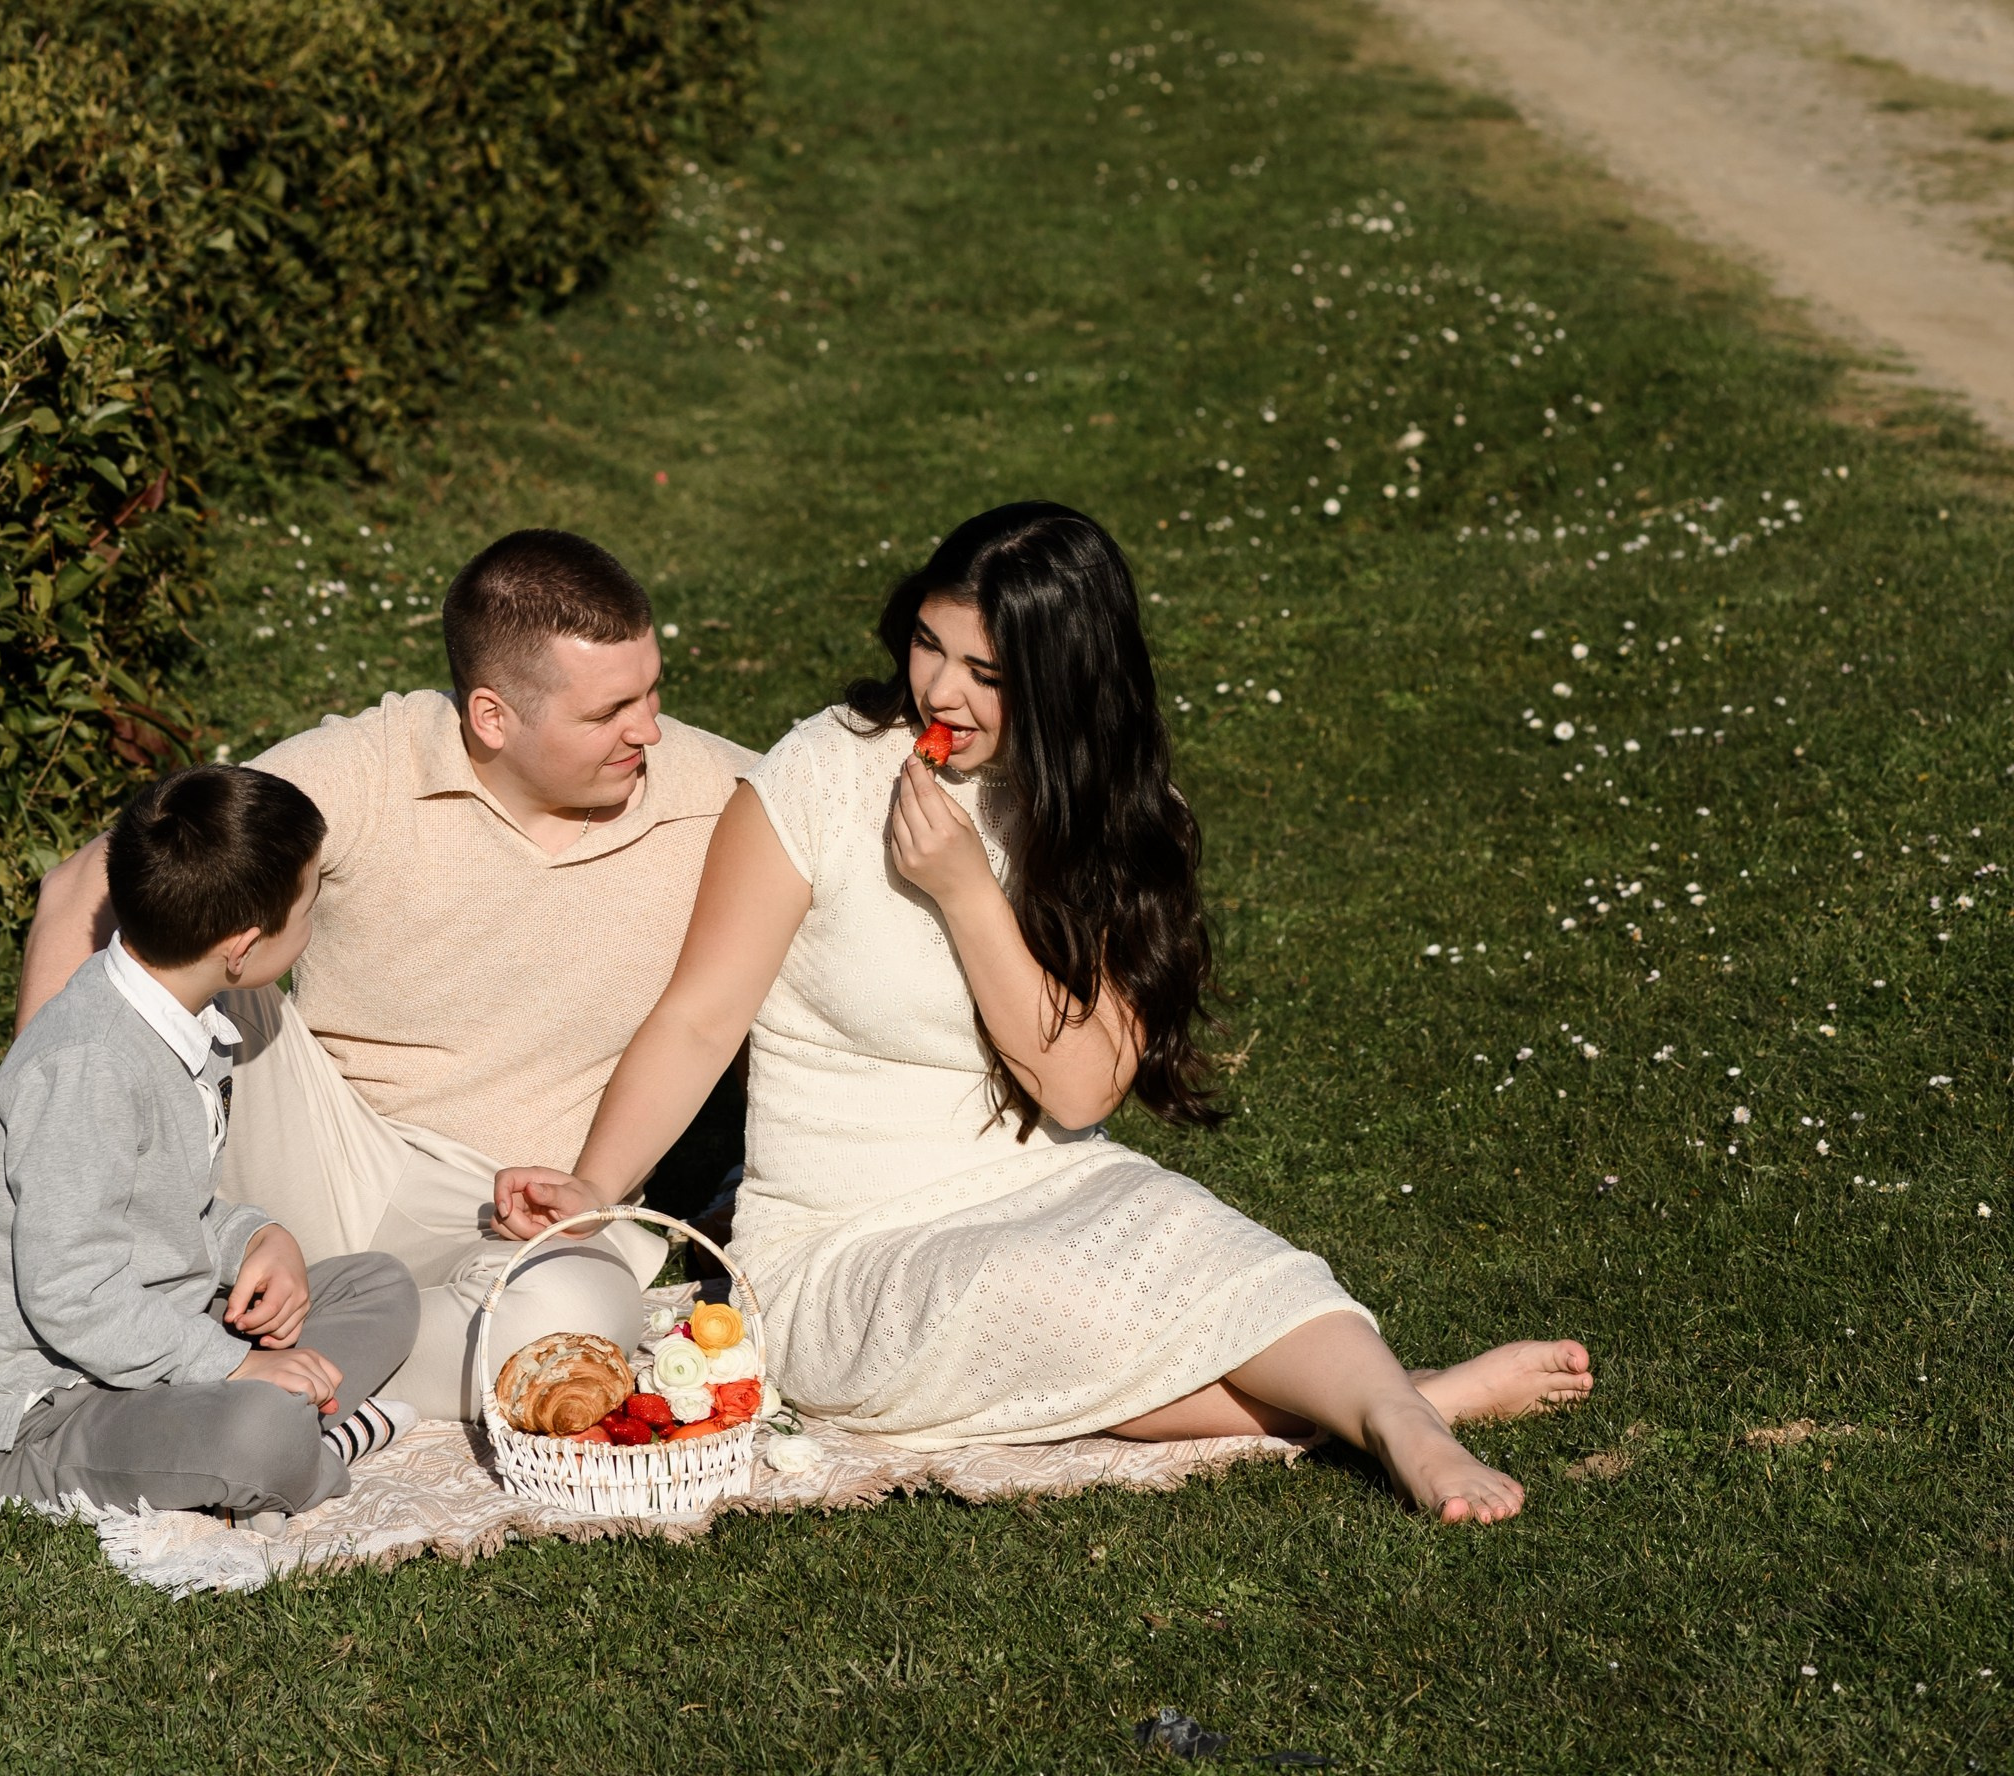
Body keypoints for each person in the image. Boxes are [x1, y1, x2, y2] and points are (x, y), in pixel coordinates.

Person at [495, 502, 1593, 1522]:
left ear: (1067, 685)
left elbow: (1077, 1088)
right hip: (842, 1239)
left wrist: (969, 893)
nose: (941, 694)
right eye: (931, 646)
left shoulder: (1101, 813)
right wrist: (599, 1185)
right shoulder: (822, 778)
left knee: (1198, 1241)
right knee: (1029, 1291)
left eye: (988, 672)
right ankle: (1394, 1400)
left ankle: (1397, 1416)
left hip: (1045, 1177)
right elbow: (698, 1018)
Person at [15, 528, 755, 1419]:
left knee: (574, 1330)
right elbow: (81, 889)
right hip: (319, 1147)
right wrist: (45, 1168)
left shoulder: (721, 793)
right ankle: (73, 1303)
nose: (647, 729)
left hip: (521, 1207)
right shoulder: (371, 764)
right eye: (606, 713)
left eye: (651, 692)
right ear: (491, 716)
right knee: (194, 950)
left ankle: (210, 1360)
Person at [0, 762, 417, 1518]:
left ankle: (293, 1428)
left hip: (162, 1334)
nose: (314, 923)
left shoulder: (182, 1018)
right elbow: (69, 1297)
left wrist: (259, 1238)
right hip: (52, 1405)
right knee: (257, 1433)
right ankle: (307, 1447)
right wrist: (234, 1368)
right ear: (244, 947)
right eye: (309, 910)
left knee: (381, 1286)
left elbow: (167, 1208)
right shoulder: (89, 1065)